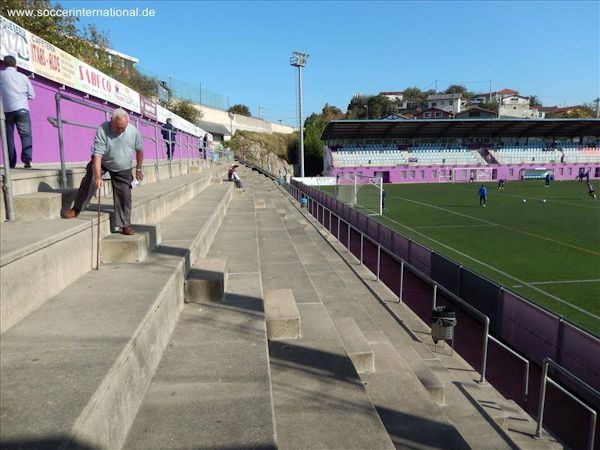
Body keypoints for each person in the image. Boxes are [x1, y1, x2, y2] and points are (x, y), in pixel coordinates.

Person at [63, 108, 144, 235]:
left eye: (124, 127)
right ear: (111, 120)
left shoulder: (134, 132)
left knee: (125, 194)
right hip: (104, 161)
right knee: (89, 179)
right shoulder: (103, 129)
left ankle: (125, 224)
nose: (121, 131)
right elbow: (97, 156)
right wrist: (97, 177)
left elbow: (139, 150)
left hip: (123, 167)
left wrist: (138, 168)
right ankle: (77, 208)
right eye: (118, 127)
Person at [1, 55, 35, 168]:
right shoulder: (23, 77)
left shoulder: (1, 75)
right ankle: (27, 159)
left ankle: (11, 163)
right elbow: (32, 95)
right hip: (22, 109)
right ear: (16, 65)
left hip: (6, 111)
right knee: (25, 135)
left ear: (4, 64)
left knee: (8, 137)